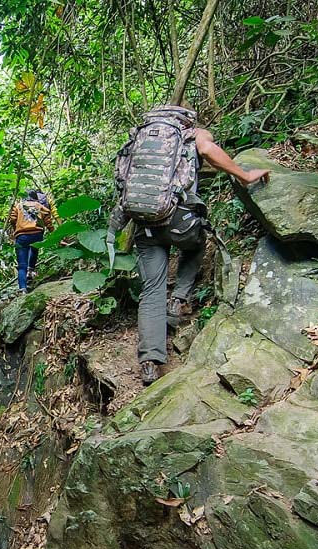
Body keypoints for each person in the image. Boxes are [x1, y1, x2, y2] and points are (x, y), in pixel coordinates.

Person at [106, 108, 270, 384]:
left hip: (143, 224)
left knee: (151, 290)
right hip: (177, 223)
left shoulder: (139, 138)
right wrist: (245, 175)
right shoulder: (191, 134)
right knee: (196, 245)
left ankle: (149, 361)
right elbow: (208, 150)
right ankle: (179, 299)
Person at [8, 189, 54, 293]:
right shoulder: (39, 206)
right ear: (35, 198)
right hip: (37, 234)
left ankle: (23, 289)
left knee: (21, 265)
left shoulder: (19, 206)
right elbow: (47, 219)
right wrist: (54, 232)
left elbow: (12, 219)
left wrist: (16, 227)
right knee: (34, 249)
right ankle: (30, 270)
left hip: (22, 235)